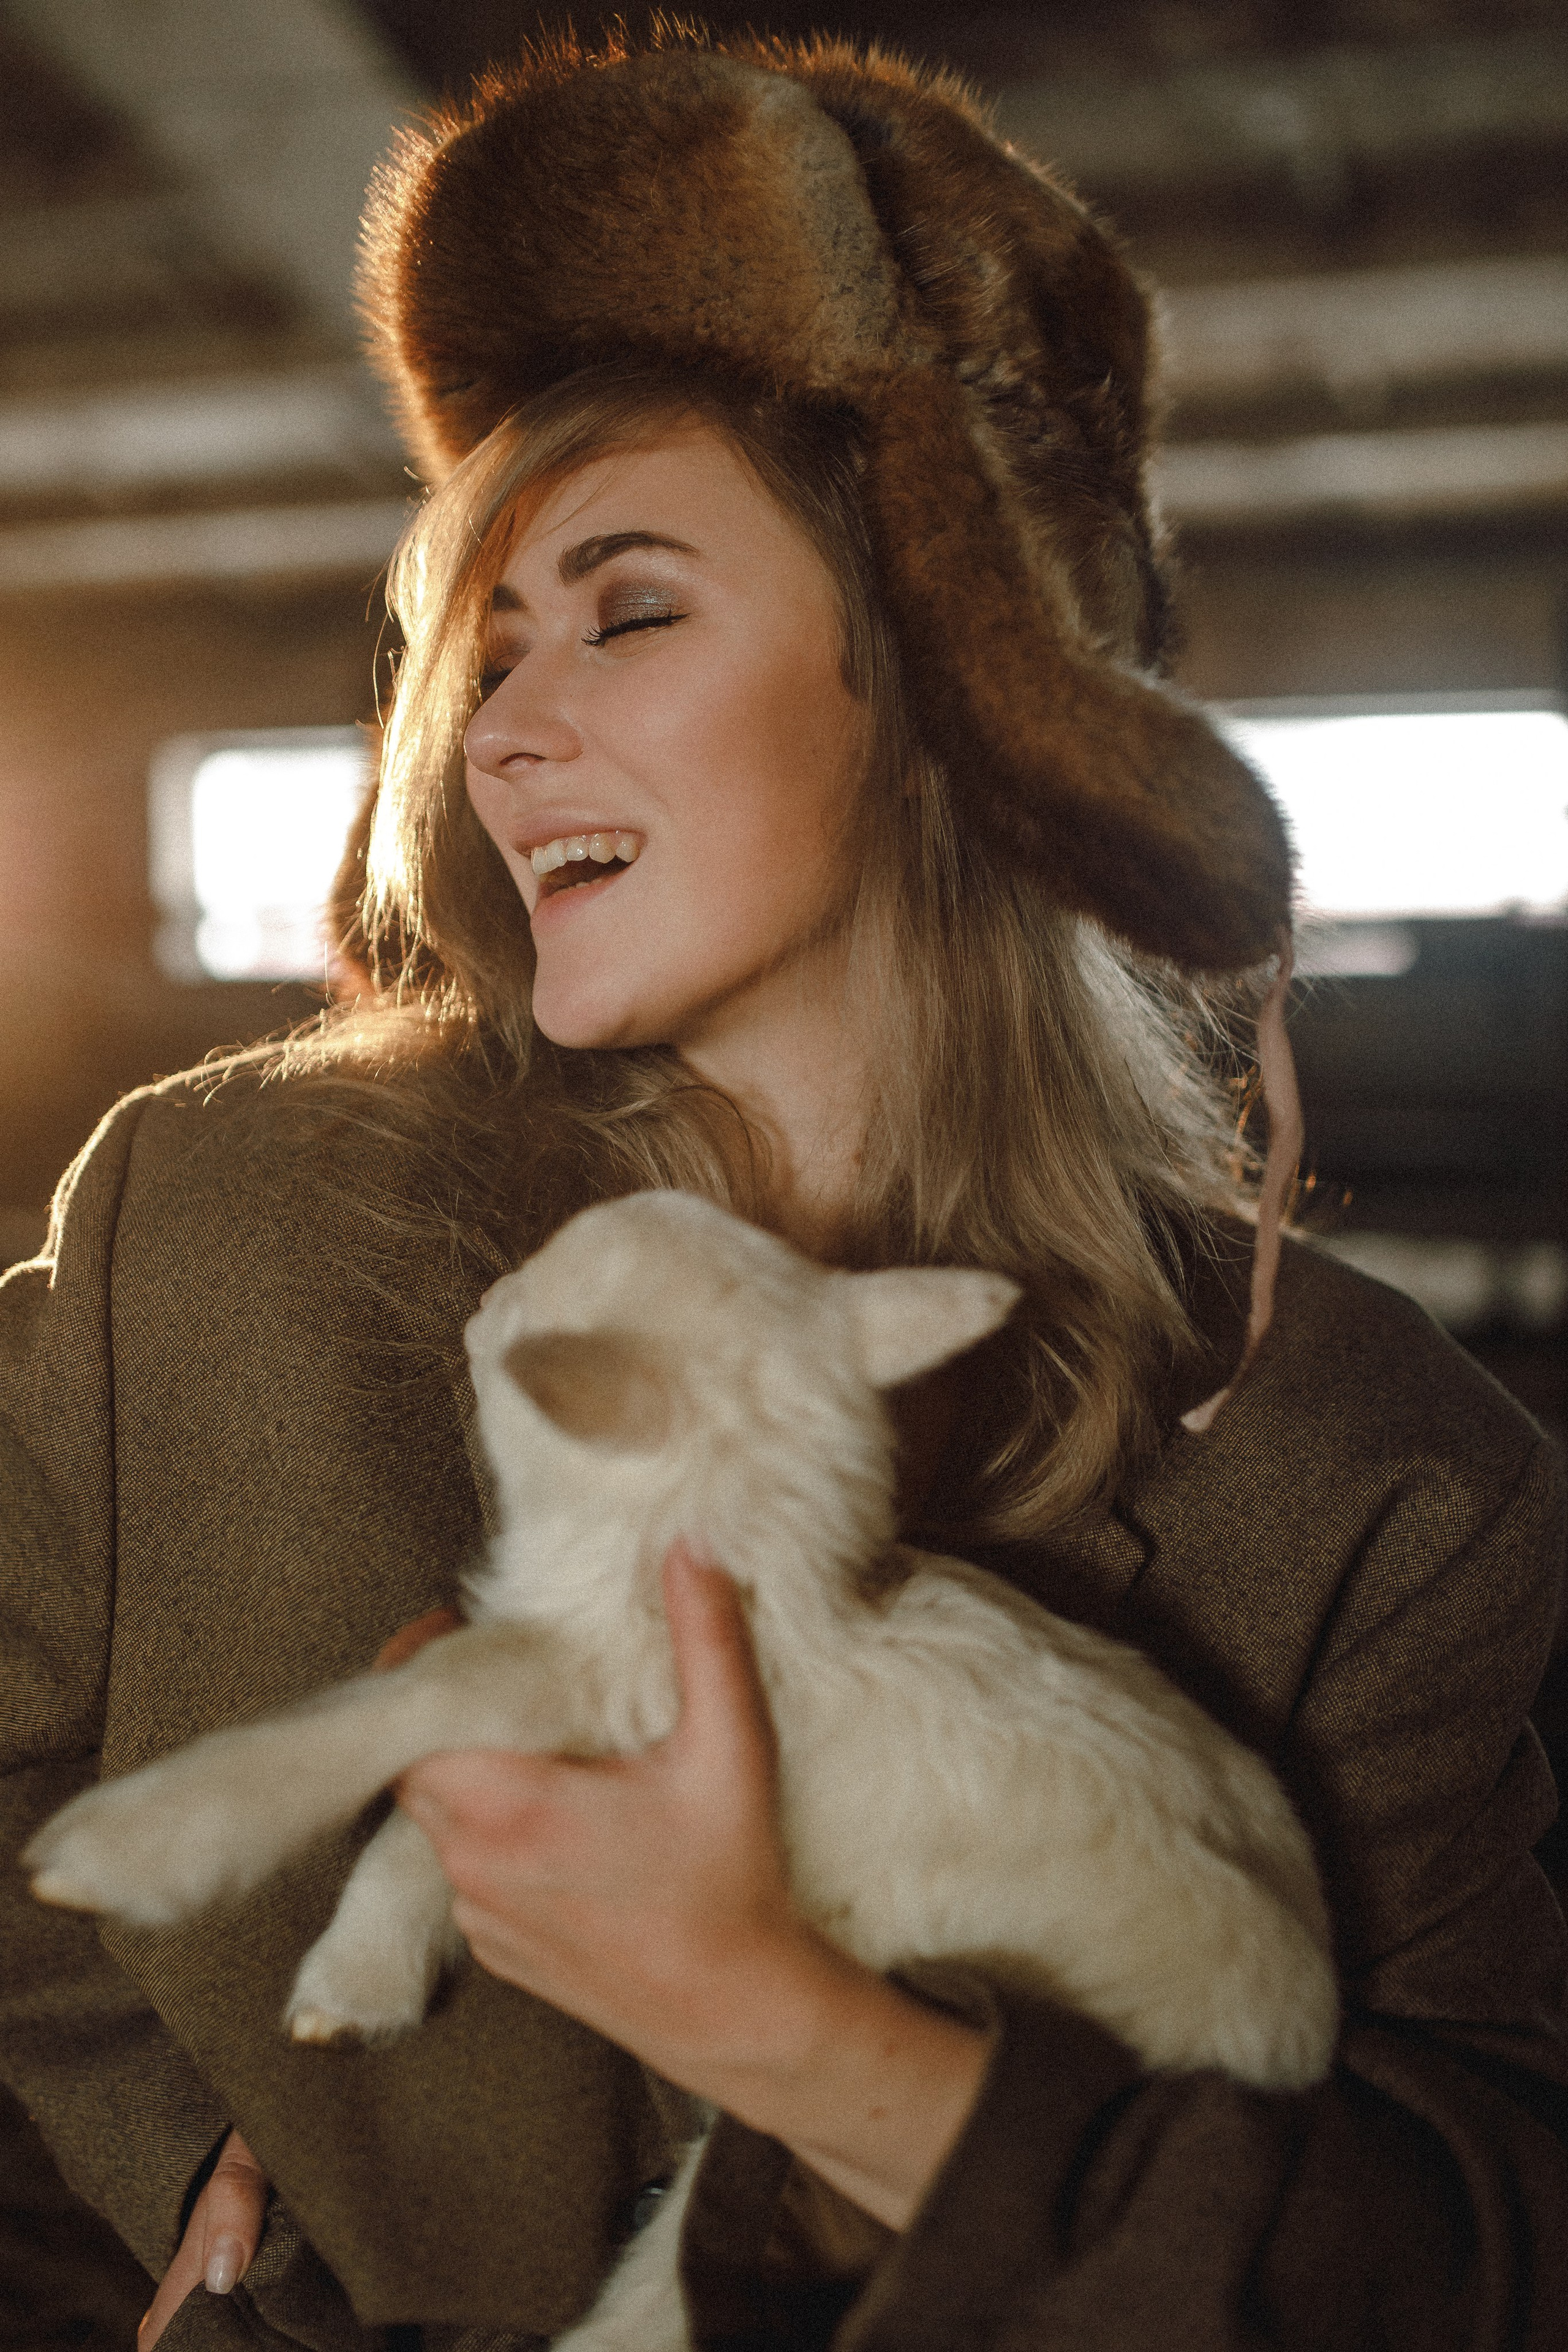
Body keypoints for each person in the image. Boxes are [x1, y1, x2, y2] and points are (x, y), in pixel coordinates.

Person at [2, 30, 1564, 2352]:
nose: (506, 729)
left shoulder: (1373, 1482)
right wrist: (194, 2206)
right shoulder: (217, 1218)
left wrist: (793, 2040)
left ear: (948, 689)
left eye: (630, 610)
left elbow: (1484, 2240)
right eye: (489, 646)